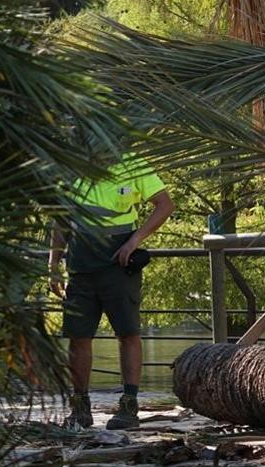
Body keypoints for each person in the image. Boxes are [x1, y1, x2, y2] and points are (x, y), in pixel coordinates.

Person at [49, 153, 175, 430]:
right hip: (80, 264)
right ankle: (80, 409)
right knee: (78, 336)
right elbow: (60, 218)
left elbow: (165, 205)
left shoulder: (133, 164)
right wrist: (53, 263)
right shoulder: (71, 165)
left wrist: (135, 241)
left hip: (118, 262)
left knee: (127, 332)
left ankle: (129, 407)